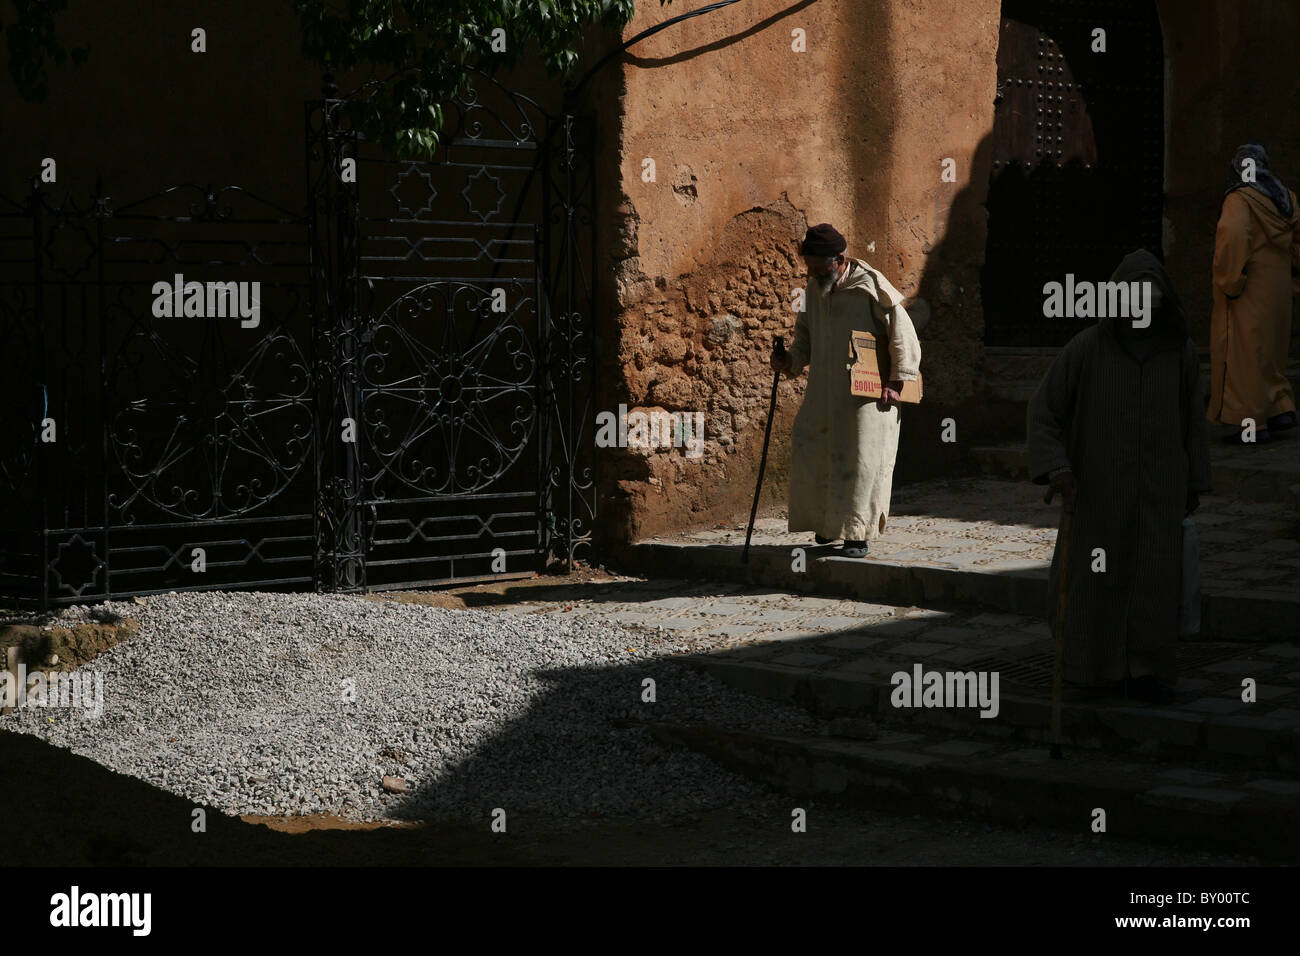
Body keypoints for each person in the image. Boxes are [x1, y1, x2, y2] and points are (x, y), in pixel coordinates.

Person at [1028, 249, 1212, 704]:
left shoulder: (1180, 354)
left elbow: (1194, 422)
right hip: (1098, 493)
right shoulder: (1087, 349)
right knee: (1095, 582)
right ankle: (1092, 668)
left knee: (1154, 581)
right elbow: (1044, 411)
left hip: (1160, 491)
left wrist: (1193, 482)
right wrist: (1058, 468)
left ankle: (1148, 672)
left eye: (1152, 304)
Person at [770, 223, 921, 557]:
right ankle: (827, 526)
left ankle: (856, 534)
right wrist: (788, 361)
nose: (810, 271)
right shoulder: (814, 289)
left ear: (838, 259)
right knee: (816, 451)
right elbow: (804, 341)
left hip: (867, 397)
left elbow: (902, 334)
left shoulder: (871, 287)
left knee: (861, 461)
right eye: (808, 265)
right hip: (823, 393)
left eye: (816, 265)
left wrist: (897, 382)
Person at [1208, 143, 1300, 443]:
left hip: (1249, 290)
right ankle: (1280, 409)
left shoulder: (1240, 200)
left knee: (1243, 357)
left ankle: (1251, 427)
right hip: (1278, 290)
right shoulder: (1287, 200)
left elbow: (1234, 236)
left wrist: (1230, 280)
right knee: (1271, 353)